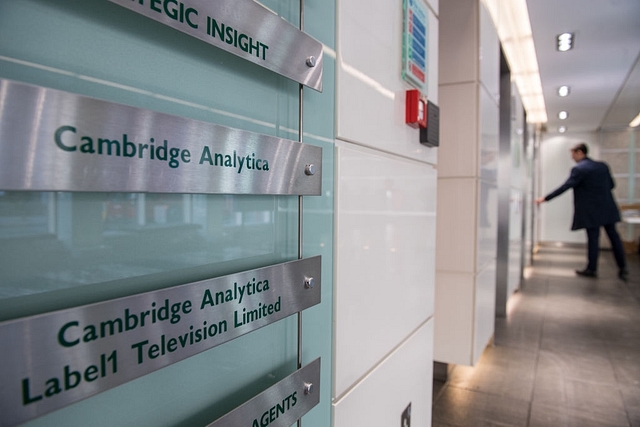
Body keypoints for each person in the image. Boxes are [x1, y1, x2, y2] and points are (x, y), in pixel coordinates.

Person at [535, 142, 628, 280]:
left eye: (573, 154)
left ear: (580, 152)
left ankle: (592, 269)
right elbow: (612, 185)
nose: (572, 158)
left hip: (591, 211)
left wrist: (546, 198)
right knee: (614, 237)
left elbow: (566, 186)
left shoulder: (579, 169)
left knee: (593, 239)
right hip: (608, 208)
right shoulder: (602, 166)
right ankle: (623, 268)